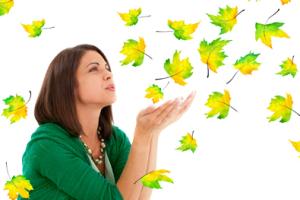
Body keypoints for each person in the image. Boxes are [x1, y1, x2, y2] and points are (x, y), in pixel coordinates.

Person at [19, 44, 196, 200]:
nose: (108, 74)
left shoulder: (113, 138)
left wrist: (152, 134)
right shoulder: (47, 146)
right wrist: (142, 137)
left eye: (107, 68)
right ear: (68, 86)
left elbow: (140, 197)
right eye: (94, 69)